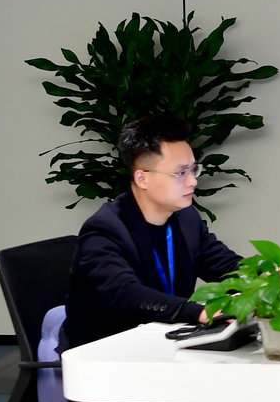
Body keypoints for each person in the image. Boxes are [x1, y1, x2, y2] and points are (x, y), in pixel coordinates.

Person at [63, 113, 244, 363]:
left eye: (193, 169)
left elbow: (225, 266)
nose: (193, 181)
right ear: (142, 178)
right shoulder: (105, 229)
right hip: (109, 358)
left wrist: (268, 277)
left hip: (165, 346)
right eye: (180, 173)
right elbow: (126, 294)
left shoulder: (186, 220)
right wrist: (199, 312)